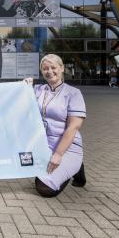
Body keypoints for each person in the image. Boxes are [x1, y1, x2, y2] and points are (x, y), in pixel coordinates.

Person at [24, 54, 87, 197]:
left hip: (67, 147)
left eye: (53, 67)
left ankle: (75, 165)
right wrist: (24, 87)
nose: (49, 71)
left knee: (45, 189)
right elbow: (19, 103)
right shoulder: (37, 89)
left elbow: (73, 127)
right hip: (44, 145)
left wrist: (58, 155)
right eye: (45, 68)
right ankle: (75, 168)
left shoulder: (73, 93)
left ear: (62, 68)